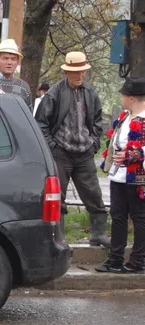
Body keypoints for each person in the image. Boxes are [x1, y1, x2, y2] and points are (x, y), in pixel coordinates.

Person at [35, 51, 110, 247]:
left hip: (84, 153)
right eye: (75, 72)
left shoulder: (91, 92)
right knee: (58, 198)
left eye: (82, 71)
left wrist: (94, 143)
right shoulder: (54, 93)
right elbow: (41, 123)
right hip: (61, 153)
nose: (79, 75)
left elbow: (98, 121)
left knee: (94, 195)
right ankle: (58, 239)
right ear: (67, 72)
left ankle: (98, 234)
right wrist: (52, 146)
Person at [96, 77, 145, 273]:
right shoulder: (126, 117)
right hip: (119, 176)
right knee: (117, 217)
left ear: (131, 97)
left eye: (123, 95)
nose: (121, 98)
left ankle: (138, 260)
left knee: (140, 218)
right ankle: (115, 259)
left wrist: (131, 155)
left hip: (138, 178)